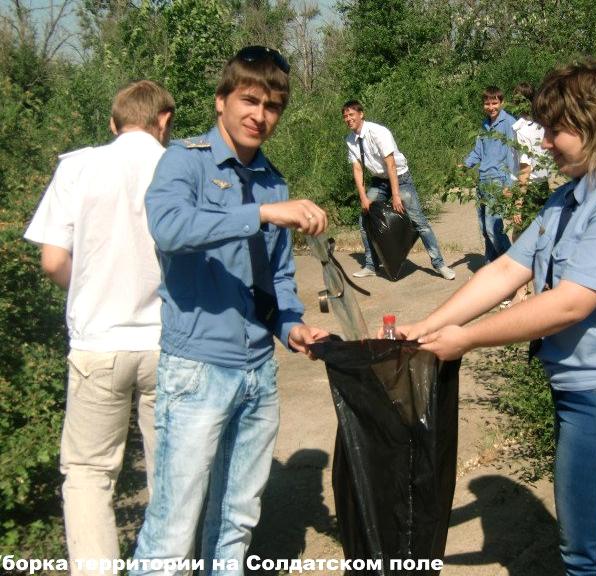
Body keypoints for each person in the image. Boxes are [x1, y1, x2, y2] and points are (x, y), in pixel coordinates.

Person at [397, 59, 596, 576]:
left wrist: (464, 339)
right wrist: (429, 326)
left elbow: (568, 304)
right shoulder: (570, 198)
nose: (546, 142)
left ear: (595, 124)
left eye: (556, 130)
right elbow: (507, 268)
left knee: (591, 555)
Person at [129, 46, 329, 576]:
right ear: (221, 100)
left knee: (237, 522)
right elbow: (169, 227)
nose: (259, 115)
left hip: (258, 373)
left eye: (272, 106)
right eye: (249, 100)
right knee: (174, 527)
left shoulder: (272, 179)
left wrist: (292, 326)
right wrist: (259, 212)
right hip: (197, 371)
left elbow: (279, 275)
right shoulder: (185, 162)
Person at [23, 80, 175, 575]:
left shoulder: (79, 166)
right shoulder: (176, 167)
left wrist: (86, 292)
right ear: (164, 121)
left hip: (98, 343)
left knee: (89, 474)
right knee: (171, 471)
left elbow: (52, 261)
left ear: (113, 123)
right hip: (165, 341)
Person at [341, 100, 455, 280]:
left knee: (419, 222)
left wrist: (396, 195)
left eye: (351, 114)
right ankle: (371, 265)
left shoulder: (378, 132)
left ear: (361, 114)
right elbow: (357, 169)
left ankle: (439, 264)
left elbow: (391, 164)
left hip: (400, 178)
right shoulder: (350, 140)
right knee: (364, 221)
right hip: (379, 180)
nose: (348, 119)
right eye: (345, 116)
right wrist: (363, 197)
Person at [461, 86, 519, 264]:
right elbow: (478, 152)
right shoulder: (484, 125)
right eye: (487, 103)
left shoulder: (509, 123)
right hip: (483, 181)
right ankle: (491, 266)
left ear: (501, 103)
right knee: (485, 230)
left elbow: (513, 155)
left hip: (498, 181)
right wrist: (463, 165)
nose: (491, 107)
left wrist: (510, 184)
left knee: (494, 228)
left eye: (494, 103)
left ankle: (512, 266)